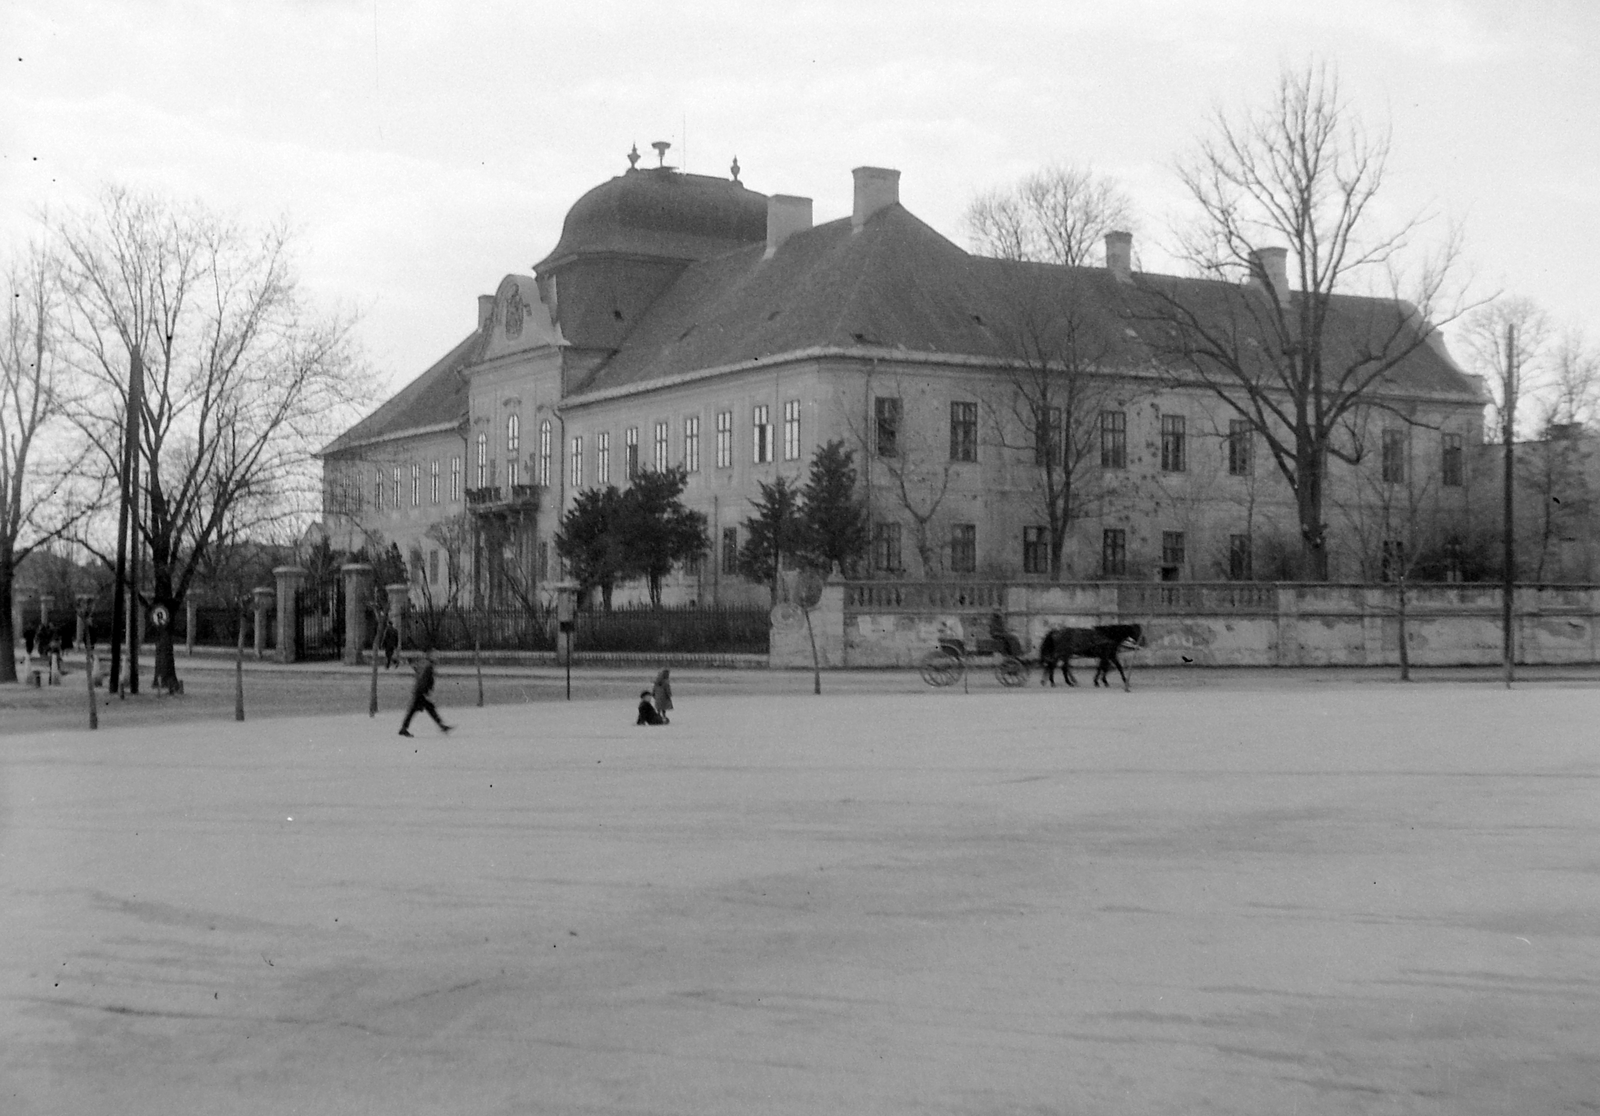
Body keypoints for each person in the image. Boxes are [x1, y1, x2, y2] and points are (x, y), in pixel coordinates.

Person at [398, 650, 451, 737]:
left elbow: (418, 671)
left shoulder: (425, 665)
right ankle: (441, 726)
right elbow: (424, 680)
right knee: (427, 708)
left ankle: (404, 728)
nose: (438, 659)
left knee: (421, 709)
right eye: (436, 657)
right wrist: (424, 691)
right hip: (420, 691)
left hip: (418, 690)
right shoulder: (428, 667)